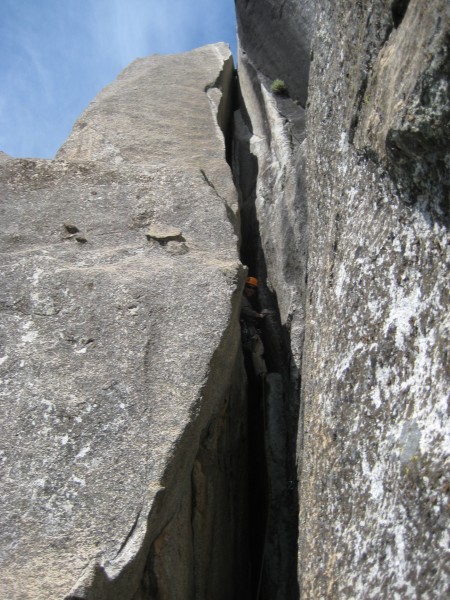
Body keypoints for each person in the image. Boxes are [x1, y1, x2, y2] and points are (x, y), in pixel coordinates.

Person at [240, 277, 267, 377]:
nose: (251, 289)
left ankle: (260, 374)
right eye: (249, 287)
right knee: (258, 349)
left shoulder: (246, 299)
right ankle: (261, 374)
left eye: (253, 288)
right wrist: (258, 315)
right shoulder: (242, 298)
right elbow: (245, 310)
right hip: (248, 331)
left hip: (248, 330)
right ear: (244, 286)